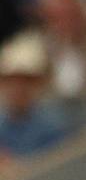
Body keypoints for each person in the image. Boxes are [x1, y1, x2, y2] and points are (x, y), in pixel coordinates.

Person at [0, 32, 69, 162]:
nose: (17, 89)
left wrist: (12, 167)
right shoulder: (2, 122)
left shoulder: (52, 127)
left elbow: (54, 171)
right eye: (11, 81)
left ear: (38, 85)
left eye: (26, 81)